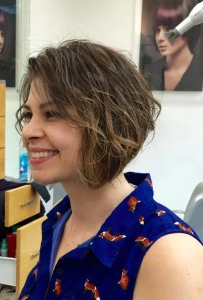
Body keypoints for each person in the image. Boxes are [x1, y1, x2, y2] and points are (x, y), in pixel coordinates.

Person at [15, 39, 203, 300]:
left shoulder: (170, 256)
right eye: (28, 115)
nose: (27, 132)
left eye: (51, 113)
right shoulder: (61, 223)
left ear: (108, 122)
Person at [143, 0, 203, 91]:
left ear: (187, 30)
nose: (160, 38)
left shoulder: (199, 70)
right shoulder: (149, 72)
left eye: (168, 29)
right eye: (157, 30)